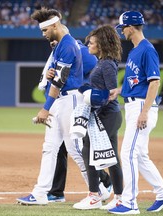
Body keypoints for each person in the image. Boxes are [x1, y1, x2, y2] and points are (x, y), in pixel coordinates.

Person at [16, 8, 93, 205]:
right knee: (49, 148)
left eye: (45, 30)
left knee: (75, 149)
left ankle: (98, 191)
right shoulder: (60, 44)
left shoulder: (67, 46)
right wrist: (51, 72)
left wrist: (45, 108)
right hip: (61, 101)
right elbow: (56, 76)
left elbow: (59, 82)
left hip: (69, 100)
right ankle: (40, 193)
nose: (43, 34)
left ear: (54, 26)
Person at [108, 11, 163, 214]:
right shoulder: (135, 50)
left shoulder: (147, 49)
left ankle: (129, 203)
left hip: (141, 107)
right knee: (140, 155)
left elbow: (155, 82)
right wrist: (120, 91)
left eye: (123, 28)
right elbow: (138, 81)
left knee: (127, 153)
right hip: (133, 104)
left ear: (130, 27)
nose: (122, 32)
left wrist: (144, 112)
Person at [47, 38, 112, 203]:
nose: (50, 41)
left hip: (76, 101)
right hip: (63, 103)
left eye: (52, 37)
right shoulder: (58, 52)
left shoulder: (76, 48)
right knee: (62, 147)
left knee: (77, 147)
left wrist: (77, 81)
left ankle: (102, 184)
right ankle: (56, 192)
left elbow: (92, 65)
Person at [73, 25, 123, 210]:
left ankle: (95, 196)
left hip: (107, 114)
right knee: (111, 158)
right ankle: (118, 197)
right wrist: (88, 90)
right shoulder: (101, 62)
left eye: (92, 42)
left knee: (89, 150)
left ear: (101, 44)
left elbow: (111, 93)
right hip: (105, 115)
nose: (88, 44)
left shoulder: (107, 64)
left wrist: (92, 95)